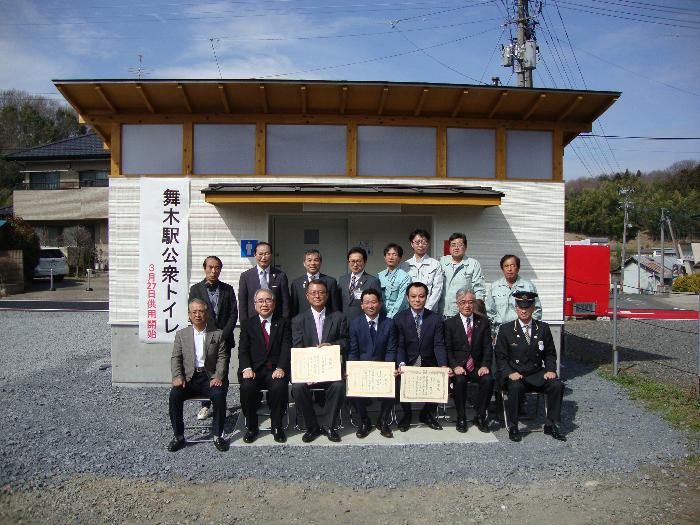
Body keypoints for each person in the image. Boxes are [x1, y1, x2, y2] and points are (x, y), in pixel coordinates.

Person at [495, 291, 565, 442]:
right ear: (516, 308)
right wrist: (509, 373)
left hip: (535, 372)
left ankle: (551, 424)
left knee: (556, 385)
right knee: (515, 387)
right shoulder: (506, 329)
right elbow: (500, 357)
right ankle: (513, 427)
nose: (524, 310)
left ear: (533, 308)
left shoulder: (543, 328)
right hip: (515, 374)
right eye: (521, 306)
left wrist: (551, 370)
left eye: (527, 307)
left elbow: (550, 353)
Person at [291, 280, 348, 443]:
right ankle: (312, 426)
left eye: (321, 292)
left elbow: (345, 341)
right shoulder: (298, 320)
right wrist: (307, 372)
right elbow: (298, 347)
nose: (317, 295)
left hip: (329, 368)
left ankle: (329, 426)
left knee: (338, 385)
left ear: (327, 295)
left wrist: (332, 345)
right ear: (307, 296)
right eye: (313, 292)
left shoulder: (338, 317)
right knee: (298, 387)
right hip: (309, 369)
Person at [167, 299, 228, 452]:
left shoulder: (217, 333)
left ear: (206, 314)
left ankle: (217, 435)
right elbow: (176, 358)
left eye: (201, 311)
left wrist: (218, 376)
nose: (197, 315)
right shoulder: (182, 334)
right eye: (194, 312)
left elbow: (222, 357)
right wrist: (177, 376)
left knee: (219, 395)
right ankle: (179, 436)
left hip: (209, 377)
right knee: (174, 395)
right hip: (189, 378)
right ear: (189, 315)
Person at [238, 288, 292, 444]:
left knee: (279, 387)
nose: (264, 304)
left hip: (275, 370)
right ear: (255, 305)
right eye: (260, 301)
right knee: (247, 387)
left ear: (274, 303)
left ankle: (277, 426)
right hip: (253, 370)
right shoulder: (248, 324)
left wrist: (281, 367)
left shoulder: (282, 322)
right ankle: (252, 427)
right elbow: (243, 350)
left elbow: (286, 347)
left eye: (268, 300)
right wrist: (247, 368)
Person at [188, 256, 238, 420]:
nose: (213, 271)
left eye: (217, 268)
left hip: (224, 338)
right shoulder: (196, 289)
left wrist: (223, 334)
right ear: (205, 268)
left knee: (221, 373)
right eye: (210, 267)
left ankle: (220, 404)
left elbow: (233, 314)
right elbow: (194, 314)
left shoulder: (227, 289)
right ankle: (205, 405)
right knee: (205, 373)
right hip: (203, 339)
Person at [394, 282, 447, 432]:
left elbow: (438, 344)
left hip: (429, 361)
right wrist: (402, 363)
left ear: (426, 297)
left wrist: (442, 365)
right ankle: (407, 413)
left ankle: (427, 413)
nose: (417, 300)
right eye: (413, 296)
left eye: (421, 296)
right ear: (407, 298)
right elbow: (400, 345)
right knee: (399, 378)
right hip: (408, 361)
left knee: (442, 377)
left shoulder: (435, 318)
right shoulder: (399, 318)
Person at [347, 288, 397, 439]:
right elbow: (353, 351)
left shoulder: (389, 323)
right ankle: (364, 420)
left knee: (395, 379)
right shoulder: (355, 324)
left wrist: (389, 368)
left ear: (380, 304)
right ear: (361, 305)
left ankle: (382, 420)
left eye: (374, 302)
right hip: (363, 368)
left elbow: (391, 349)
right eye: (367, 302)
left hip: (382, 367)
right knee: (352, 381)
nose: (370, 305)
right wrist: (353, 368)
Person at [444, 288, 494, 433]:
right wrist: (454, 366)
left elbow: (487, 347)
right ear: (457, 304)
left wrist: (485, 364)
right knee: (459, 381)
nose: (467, 306)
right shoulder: (449, 324)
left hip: (477, 365)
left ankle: (480, 415)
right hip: (459, 366)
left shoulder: (483, 322)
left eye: (471, 302)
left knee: (488, 379)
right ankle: (461, 417)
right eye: (463, 302)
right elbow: (448, 349)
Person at [486, 254, 542, 337]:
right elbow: (489, 312)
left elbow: (537, 310)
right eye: (506, 266)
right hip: (500, 332)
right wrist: (492, 332)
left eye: (512, 266)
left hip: (523, 331)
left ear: (518, 268)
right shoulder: (494, 287)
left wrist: (529, 329)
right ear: (502, 269)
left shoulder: (528, 286)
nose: (509, 269)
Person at [238, 241, 290, 320]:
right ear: (255, 255)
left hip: (276, 321)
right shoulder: (246, 276)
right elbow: (242, 304)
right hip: (253, 321)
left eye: (267, 254)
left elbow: (285, 302)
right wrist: (244, 325)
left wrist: (285, 322)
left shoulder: (281, 276)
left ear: (271, 255)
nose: (263, 257)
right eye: (260, 254)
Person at [439, 232, 486, 318]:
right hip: (441, 312)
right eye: (453, 245)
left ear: (465, 247)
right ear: (449, 247)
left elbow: (479, 289)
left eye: (460, 245)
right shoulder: (441, 262)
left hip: (462, 314)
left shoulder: (473, 264)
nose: (456, 248)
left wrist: (477, 309)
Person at [289, 249, 341, 317]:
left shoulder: (331, 282)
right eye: (309, 260)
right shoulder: (296, 283)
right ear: (304, 263)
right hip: (303, 323)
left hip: (326, 322)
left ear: (320, 262)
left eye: (316, 260)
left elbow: (335, 307)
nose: (312, 263)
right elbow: (294, 308)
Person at [401, 229, 443, 312]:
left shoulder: (435, 264)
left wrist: (426, 309)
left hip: (430, 312)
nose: (420, 245)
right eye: (417, 242)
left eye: (424, 242)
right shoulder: (405, 266)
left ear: (428, 244)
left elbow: (437, 290)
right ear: (412, 244)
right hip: (409, 311)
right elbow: (403, 290)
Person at [338, 247, 381, 322]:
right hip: (343, 323)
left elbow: (378, 304)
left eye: (358, 261)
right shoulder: (342, 280)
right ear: (348, 262)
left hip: (362, 323)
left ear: (365, 262)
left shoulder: (373, 281)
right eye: (352, 261)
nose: (355, 264)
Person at [377, 243, 411, 318]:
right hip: (381, 316)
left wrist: (389, 317)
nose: (391, 257)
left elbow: (402, 300)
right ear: (384, 257)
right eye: (388, 254)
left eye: (394, 254)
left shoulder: (405, 277)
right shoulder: (379, 276)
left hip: (399, 316)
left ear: (399, 258)